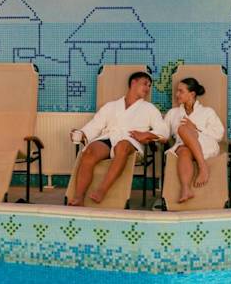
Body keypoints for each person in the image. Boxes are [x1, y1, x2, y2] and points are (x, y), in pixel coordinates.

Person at [68, 71, 168, 206]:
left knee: (122, 146)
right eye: (145, 84)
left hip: (131, 142)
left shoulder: (150, 108)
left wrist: (147, 134)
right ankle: (79, 196)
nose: (148, 88)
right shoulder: (111, 106)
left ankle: (102, 190)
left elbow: (163, 131)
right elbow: (95, 125)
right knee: (89, 151)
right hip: (110, 137)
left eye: (150, 86)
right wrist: (81, 134)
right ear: (133, 82)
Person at [164, 77, 224, 203]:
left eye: (181, 91)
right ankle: (186, 189)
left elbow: (219, 134)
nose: (177, 94)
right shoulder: (173, 113)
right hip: (183, 147)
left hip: (206, 145)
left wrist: (195, 128)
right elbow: (163, 133)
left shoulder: (208, 112)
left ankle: (203, 167)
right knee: (184, 150)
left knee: (183, 129)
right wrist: (150, 135)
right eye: (177, 91)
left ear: (192, 94)